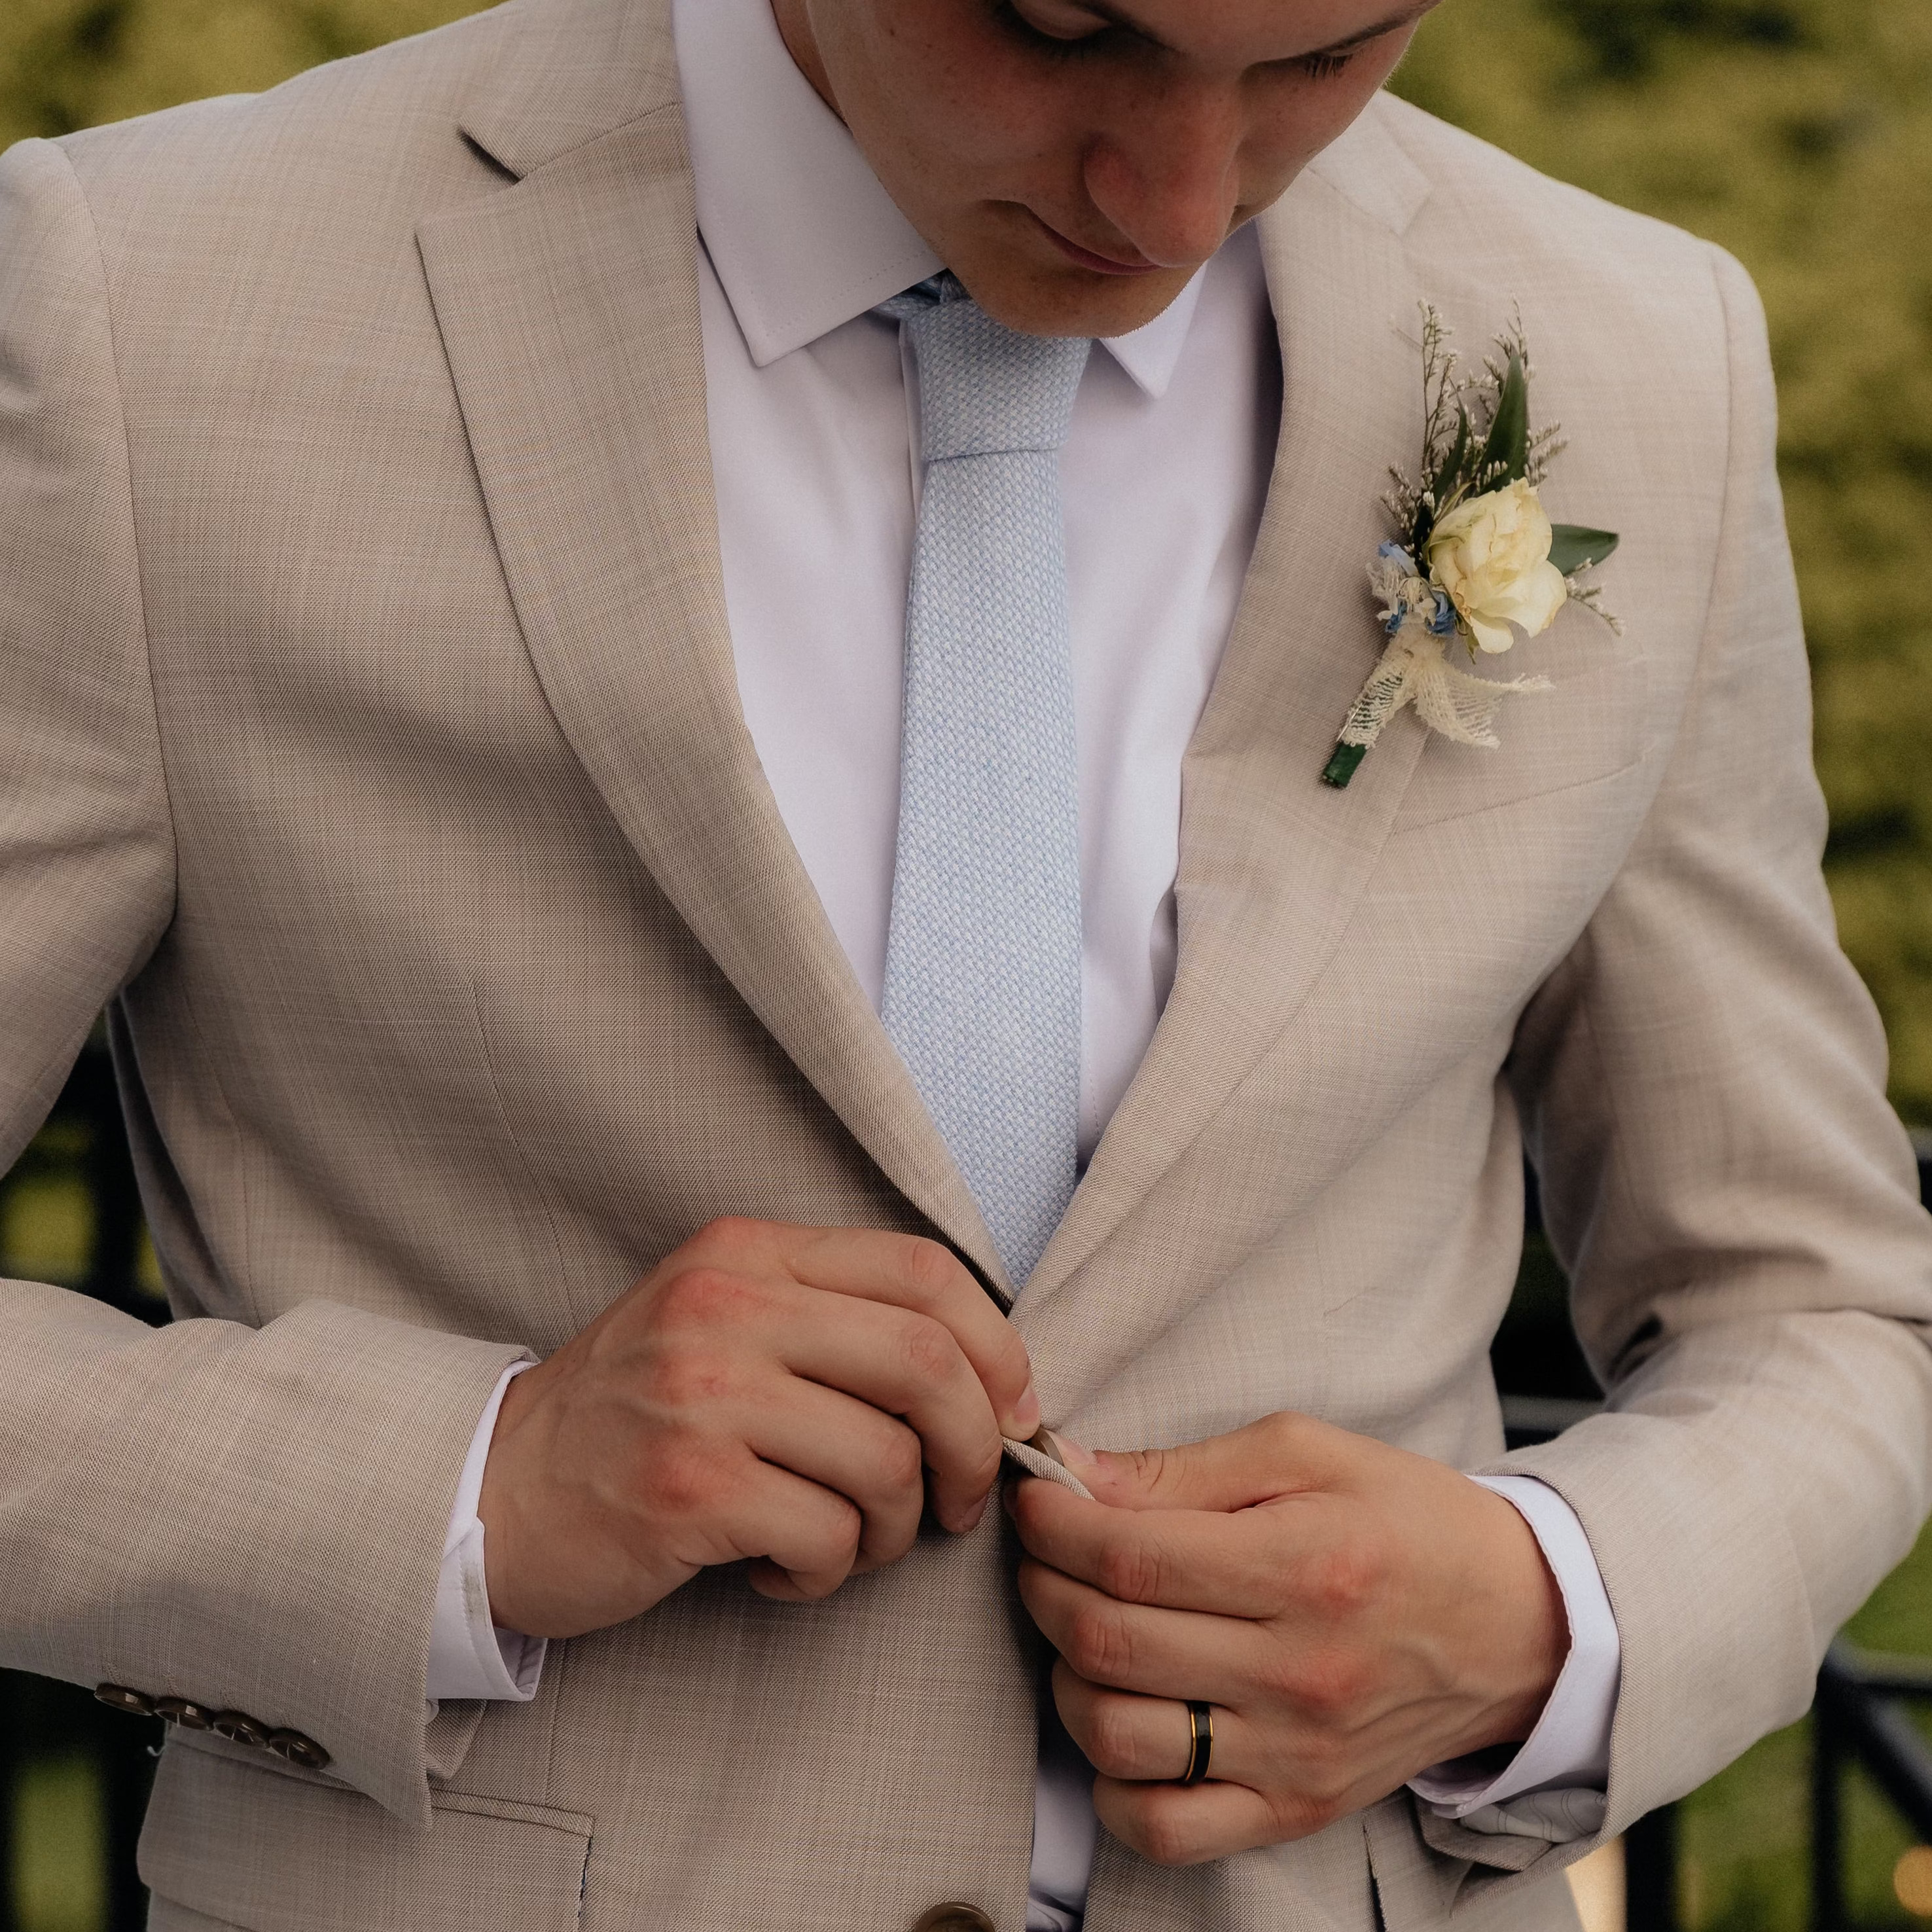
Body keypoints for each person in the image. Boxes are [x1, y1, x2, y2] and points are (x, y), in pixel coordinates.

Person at [1, 0, 1927, 1925]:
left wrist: (1547, 1611)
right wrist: (459, 1499)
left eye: (1328, 56)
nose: (1177, 201)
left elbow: (1828, 1309)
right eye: (1061, 29)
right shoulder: (143, 302)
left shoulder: (1639, 355)